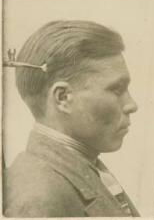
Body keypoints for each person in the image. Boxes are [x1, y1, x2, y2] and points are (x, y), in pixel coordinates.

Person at [3, 20, 140, 217]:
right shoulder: (38, 197)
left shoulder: (80, 169)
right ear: (63, 98)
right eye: (117, 89)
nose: (132, 105)